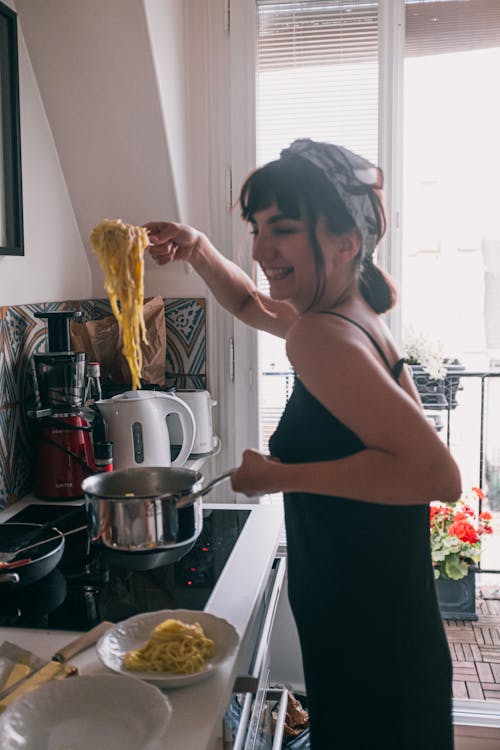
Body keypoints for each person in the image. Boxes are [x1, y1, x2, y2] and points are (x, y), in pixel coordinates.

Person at [144, 138, 462, 750]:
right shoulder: (350, 311)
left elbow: (436, 476)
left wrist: (278, 476)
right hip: (387, 622)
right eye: (257, 228)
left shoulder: (321, 336)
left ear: (346, 241)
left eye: (282, 230)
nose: (261, 248)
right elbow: (247, 301)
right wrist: (201, 249)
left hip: (365, 630)